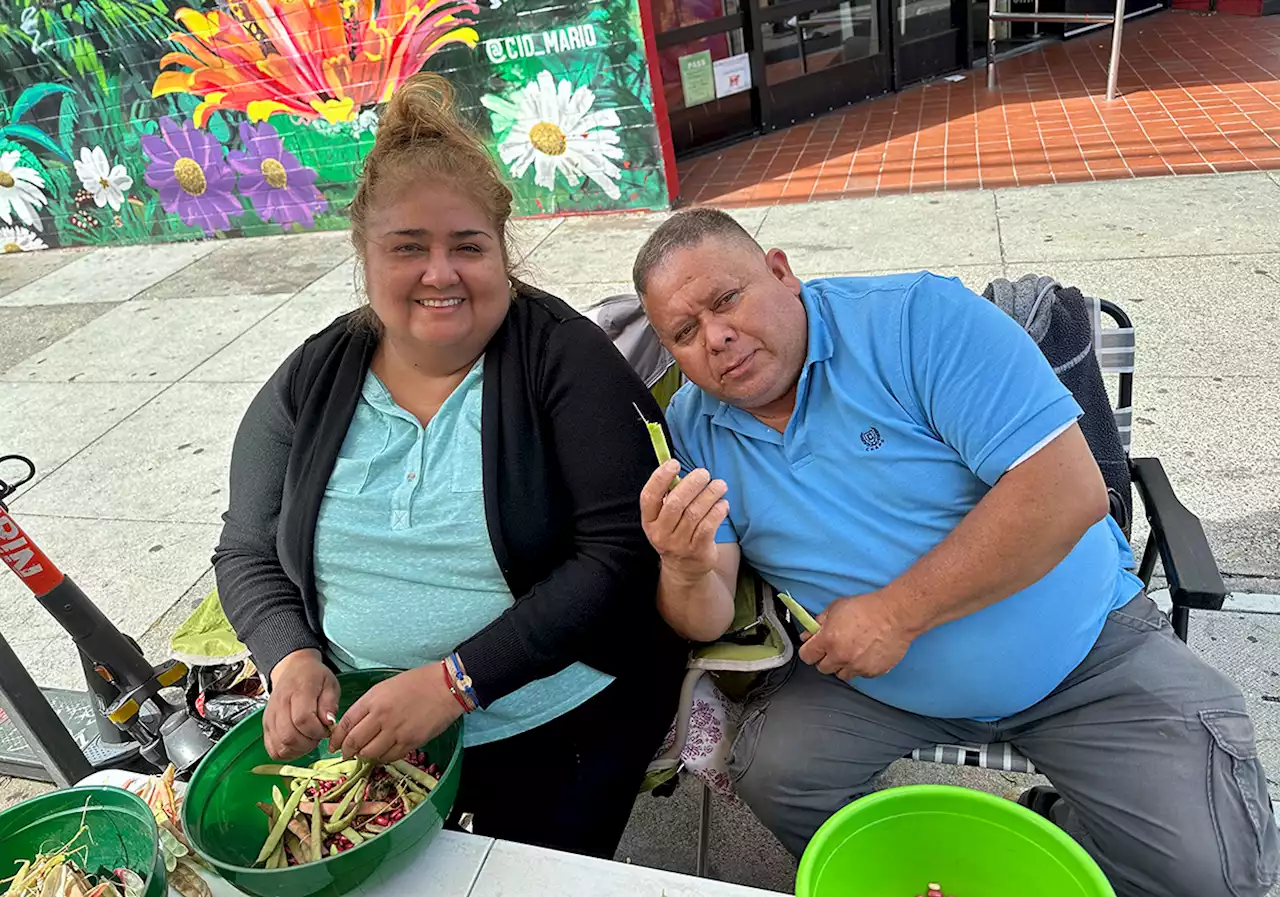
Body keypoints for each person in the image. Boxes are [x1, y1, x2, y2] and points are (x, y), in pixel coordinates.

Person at [633, 208, 1279, 897]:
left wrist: (897, 614)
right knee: (776, 773)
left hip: (1085, 654)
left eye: (726, 299)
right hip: (879, 689)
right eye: (685, 332)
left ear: (782, 273)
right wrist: (685, 565)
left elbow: (1067, 490)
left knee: (1216, 879)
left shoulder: (914, 320)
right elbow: (703, 618)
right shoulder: (693, 429)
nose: (718, 336)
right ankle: (937, 871)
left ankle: (1050, 829)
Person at [213, 73, 686, 859]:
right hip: (361, 731)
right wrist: (288, 652)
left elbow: (622, 556)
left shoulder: (564, 360)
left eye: (467, 245)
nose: (441, 273)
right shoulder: (315, 376)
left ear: (503, 250)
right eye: (408, 248)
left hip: (554, 723)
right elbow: (247, 548)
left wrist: (453, 683)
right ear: (365, 257)